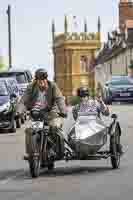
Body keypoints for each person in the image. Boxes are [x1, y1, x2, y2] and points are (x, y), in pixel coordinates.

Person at [16, 68, 67, 161]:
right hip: (36, 115)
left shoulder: (53, 86)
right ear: (36, 80)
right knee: (29, 130)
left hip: (51, 114)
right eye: (40, 80)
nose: (42, 82)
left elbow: (59, 99)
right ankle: (30, 153)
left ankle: (54, 149)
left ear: (46, 79)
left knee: (54, 127)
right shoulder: (31, 87)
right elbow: (23, 101)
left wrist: (63, 111)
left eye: (44, 80)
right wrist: (18, 112)